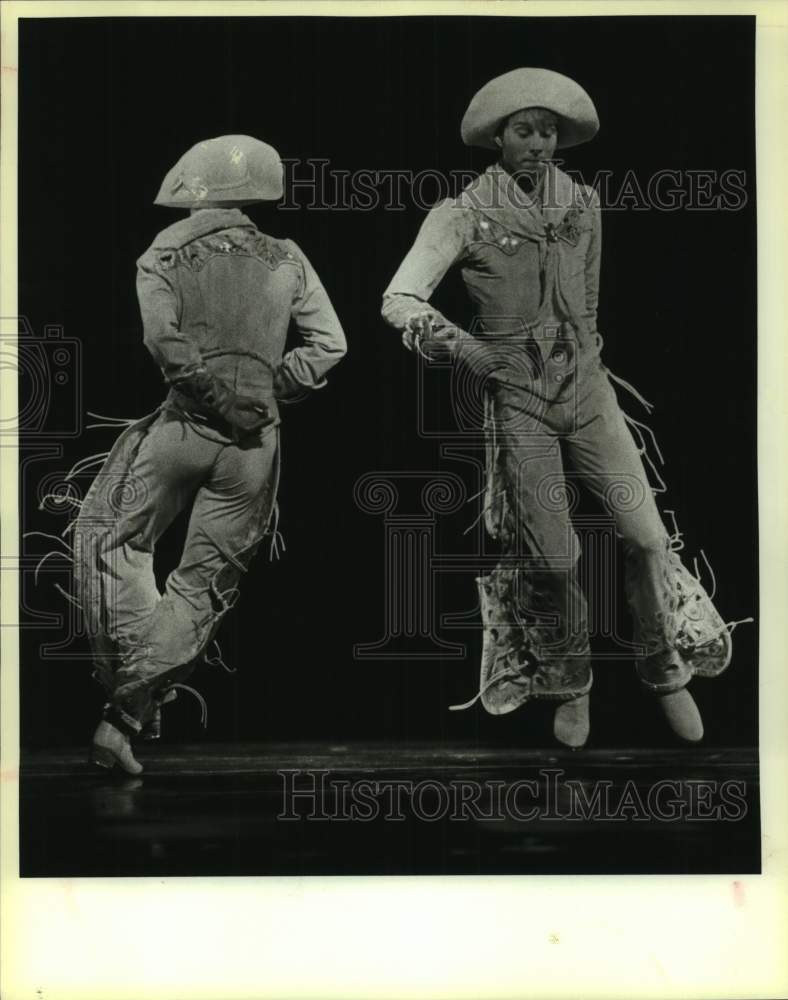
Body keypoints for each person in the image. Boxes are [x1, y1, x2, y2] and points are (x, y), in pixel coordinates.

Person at [381, 69, 737, 748]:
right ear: (498, 138)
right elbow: (399, 300)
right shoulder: (462, 211)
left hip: (588, 389)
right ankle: (571, 682)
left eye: (548, 132)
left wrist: (587, 358)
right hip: (520, 400)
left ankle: (663, 664)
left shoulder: (581, 202)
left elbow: (591, 298)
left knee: (646, 537)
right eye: (525, 131)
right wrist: (469, 351)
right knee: (554, 556)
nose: (539, 144)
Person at [75, 135, 346, 773]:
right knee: (201, 585)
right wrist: (267, 388)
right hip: (256, 441)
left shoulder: (164, 251)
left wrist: (215, 395)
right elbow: (331, 343)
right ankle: (130, 710)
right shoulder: (287, 255)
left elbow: (162, 341)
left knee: (109, 540)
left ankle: (133, 697)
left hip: (186, 427)